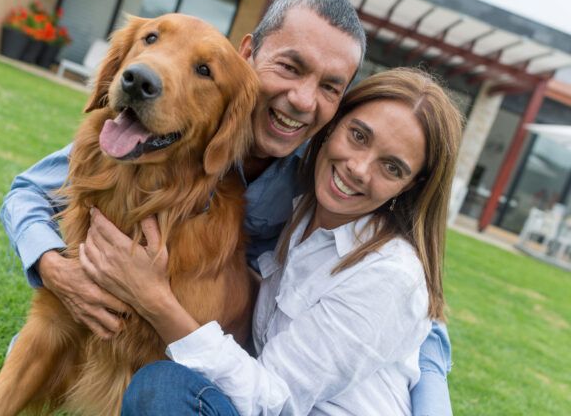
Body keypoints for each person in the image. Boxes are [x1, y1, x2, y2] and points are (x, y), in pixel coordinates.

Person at [0, 0, 452, 414]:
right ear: (248, 53)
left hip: (250, 372)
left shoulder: (324, 177)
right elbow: (28, 192)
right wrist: (55, 270)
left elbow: (413, 321)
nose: (301, 100)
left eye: (330, 86)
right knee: (33, 345)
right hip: (243, 364)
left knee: (163, 386)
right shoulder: (140, 138)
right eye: (291, 67)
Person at [80, 67, 463, 415]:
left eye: (392, 167)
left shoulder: (390, 275)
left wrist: (155, 300)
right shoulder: (298, 208)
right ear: (332, 125)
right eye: (358, 136)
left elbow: (272, 401)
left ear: (411, 186)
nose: (359, 169)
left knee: (165, 389)